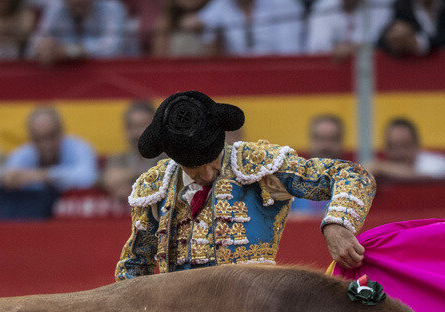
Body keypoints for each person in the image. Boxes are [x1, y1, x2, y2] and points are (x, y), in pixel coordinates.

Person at [116, 90, 375, 279]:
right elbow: (135, 267)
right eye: (194, 168)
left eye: (212, 161)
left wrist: (336, 225)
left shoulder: (258, 164)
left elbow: (352, 174)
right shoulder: (155, 185)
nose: (207, 173)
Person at [0, 105, 98, 218]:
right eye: (39, 139)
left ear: (61, 132)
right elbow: (0, 178)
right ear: (31, 138)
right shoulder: (23, 153)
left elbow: (89, 177)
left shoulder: (79, 147)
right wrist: (5, 179)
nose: (46, 145)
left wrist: (44, 176)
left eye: (51, 136)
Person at [26, 0, 132, 64]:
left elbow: (111, 49)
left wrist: (68, 51)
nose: (77, 1)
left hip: (118, 75)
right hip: (68, 80)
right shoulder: (55, 9)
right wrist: (44, 49)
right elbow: (34, 46)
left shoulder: (112, 8)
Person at [100, 99, 159, 203]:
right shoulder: (118, 158)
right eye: (133, 127)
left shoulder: (170, 157)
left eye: (143, 125)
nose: (139, 133)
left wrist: (131, 186)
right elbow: (109, 179)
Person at [195, 0, 305, 55]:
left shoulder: (285, 4)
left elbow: (290, 54)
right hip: (235, 74)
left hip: (278, 72)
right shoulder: (221, 4)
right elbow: (194, 23)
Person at [368, 116, 445, 180]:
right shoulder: (379, 173)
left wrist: (379, 167)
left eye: (405, 146)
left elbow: (426, 177)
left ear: (416, 145)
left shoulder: (437, 163)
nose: (399, 153)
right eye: (392, 146)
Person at [376, 0, 445, 56]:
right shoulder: (403, 4)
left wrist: (419, 43)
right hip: (412, 74)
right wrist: (395, 38)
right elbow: (382, 41)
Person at [305, 0, 394, 56]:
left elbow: (380, 40)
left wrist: (357, 47)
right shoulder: (323, 6)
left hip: (376, 70)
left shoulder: (382, 4)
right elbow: (317, 47)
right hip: (334, 71)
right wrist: (337, 49)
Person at [151, 0, 215, 56]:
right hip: (174, 67)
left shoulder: (211, 20)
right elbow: (160, 58)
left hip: (203, 67)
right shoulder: (165, 23)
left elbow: (214, 57)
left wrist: (205, 27)